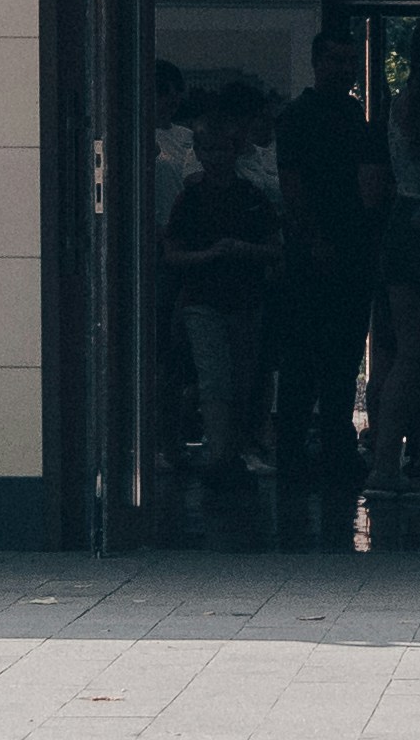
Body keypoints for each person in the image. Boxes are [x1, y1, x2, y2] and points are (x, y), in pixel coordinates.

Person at [271, 31, 384, 492]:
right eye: (336, 59)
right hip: (313, 256)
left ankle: (329, 449)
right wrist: (312, 239)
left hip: (349, 255)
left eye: (349, 60)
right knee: (302, 360)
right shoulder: (298, 118)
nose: (345, 68)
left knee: (340, 360)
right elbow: (292, 186)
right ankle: (296, 453)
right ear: (318, 61)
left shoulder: (355, 117)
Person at [164, 85, 287, 475]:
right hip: (206, 300)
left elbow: (274, 247)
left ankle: (229, 452)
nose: (217, 158)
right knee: (218, 380)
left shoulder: (250, 196)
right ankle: (222, 455)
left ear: (236, 151)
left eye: (223, 150)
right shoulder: (195, 198)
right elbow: (173, 252)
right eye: (210, 151)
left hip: (243, 300)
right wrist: (215, 255)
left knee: (241, 381)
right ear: (198, 153)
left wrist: (234, 251)